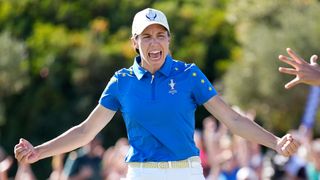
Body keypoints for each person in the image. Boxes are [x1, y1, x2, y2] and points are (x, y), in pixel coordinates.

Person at [14, 8, 299, 180]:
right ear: (134, 43)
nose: (154, 43)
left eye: (160, 35)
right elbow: (85, 132)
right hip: (142, 173)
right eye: (146, 36)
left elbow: (233, 120)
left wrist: (275, 142)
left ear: (169, 39)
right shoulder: (122, 82)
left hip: (186, 173)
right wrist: (39, 152)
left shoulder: (189, 75)